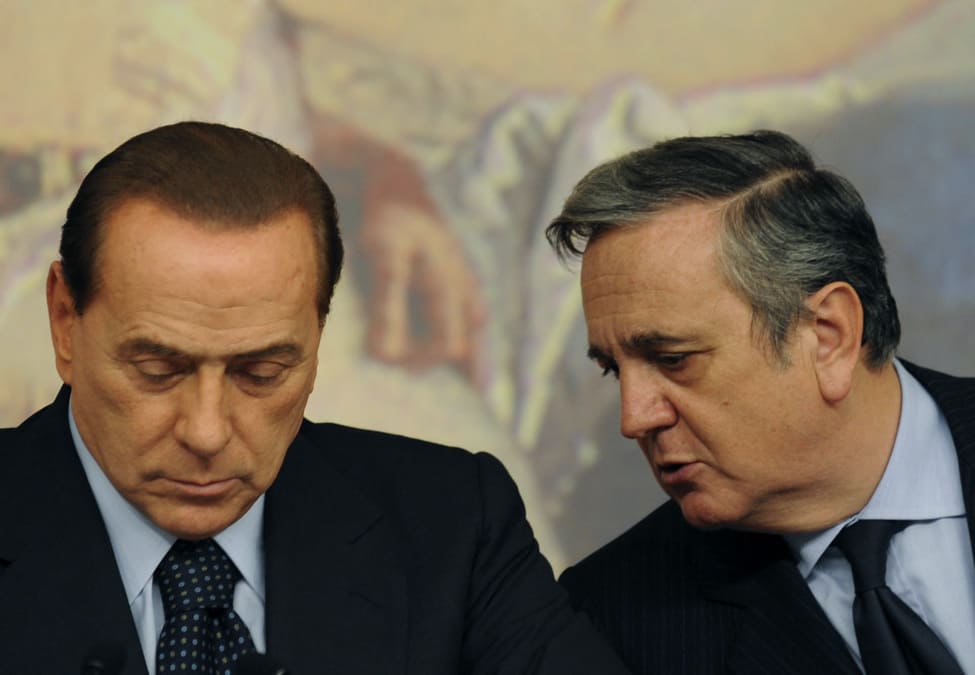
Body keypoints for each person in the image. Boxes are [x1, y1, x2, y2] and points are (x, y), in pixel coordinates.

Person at [0, 121, 627, 675]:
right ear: (64, 320)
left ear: (319, 333)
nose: (207, 431)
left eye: (261, 372)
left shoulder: (452, 527)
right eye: (158, 369)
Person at [546, 130, 975, 674]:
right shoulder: (611, 618)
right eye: (614, 369)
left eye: (673, 359)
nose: (634, 419)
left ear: (829, 336)